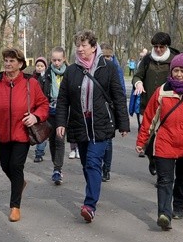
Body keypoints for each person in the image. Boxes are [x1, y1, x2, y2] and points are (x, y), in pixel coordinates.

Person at [55, 30, 130, 223]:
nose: (80, 49)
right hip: (80, 123)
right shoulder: (72, 71)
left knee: (92, 162)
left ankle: (90, 205)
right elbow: (63, 100)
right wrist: (61, 123)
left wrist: (123, 124)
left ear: (94, 47)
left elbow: (118, 96)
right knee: (86, 165)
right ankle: (94, 190)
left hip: (101, 123)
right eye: (77, 46)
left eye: (84, 45)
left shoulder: (109, 67)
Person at [135, 53, 183, 231]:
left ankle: (177, 206)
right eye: (176, 70)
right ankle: (164, 214)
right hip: (164, 144)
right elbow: (149, 119)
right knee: (164, 180)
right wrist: (142, 141)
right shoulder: (162, 92)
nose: (178, 74)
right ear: (171, 71)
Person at [0, 48, 49, 222]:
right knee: (6, 166)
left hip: (22, 134)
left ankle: (15, 207)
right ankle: (20, 183)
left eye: (12, 61)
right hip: (2, 134)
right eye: (6, 60)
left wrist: (35, 116)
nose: (7, 63)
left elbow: (43, 104)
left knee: (16, 166)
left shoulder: (30, 83)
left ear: (20, 64)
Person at [132, 32, 181, 173]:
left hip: (168, 107)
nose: (158, 49)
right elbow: (137, 76)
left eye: (161, 47)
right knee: (148, 139)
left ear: (167, 46)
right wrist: (139, 83)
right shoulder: (147, 59)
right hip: (148, 105)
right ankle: (152, 160)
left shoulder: (175, 60)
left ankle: (163, 171)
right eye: (156, 46)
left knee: (164, 140)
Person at [39, 46, 68, 185]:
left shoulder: (69, 73)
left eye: (59, 60)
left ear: (64, 59)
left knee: (60, 139)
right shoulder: (46, 74)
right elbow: (40, 93)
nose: (56, 63)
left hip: (63, 112)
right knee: (52, 140)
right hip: (49, 112)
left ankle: (58, 169)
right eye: (54, 60)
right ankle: (55, 166)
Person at [100, 43, 127, 182]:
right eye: (103, 56)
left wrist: (122, 119)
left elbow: (120, 92)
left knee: (108, 141)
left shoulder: (116, 69)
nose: (106, 59)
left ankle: (106, 169)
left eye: (109, 56)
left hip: (111, 110)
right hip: (99, 109)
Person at [33, 56, 48, 163]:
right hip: (34, 107)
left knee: (42, 130)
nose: (39, 68)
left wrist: (43, 79)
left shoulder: (47, 77)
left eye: (42, 66)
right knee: (37, 130)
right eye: (38, 66)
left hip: (44, 106)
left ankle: (39, 151)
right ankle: (39, 151)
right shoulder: (32, 77)